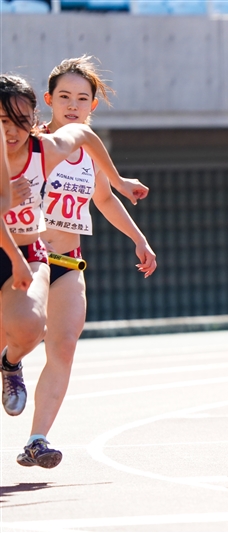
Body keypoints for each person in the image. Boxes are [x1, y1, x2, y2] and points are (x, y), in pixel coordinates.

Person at [8, 58, 157, 469]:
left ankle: (37, 440)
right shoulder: (29, 144)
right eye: (65, 97)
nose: (73, 106)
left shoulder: (87, 153)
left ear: (92, 105)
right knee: (28, 331)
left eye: (83, 99)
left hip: (68, 261)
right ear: (48, 101)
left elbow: (105, 200)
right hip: (27, 257)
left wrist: (138, 238)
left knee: (64, 346)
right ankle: (12, 359)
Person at [0, 127, 34, 293]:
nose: (12, 130)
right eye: (5, 121)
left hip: (30, 252)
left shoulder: (46, 148)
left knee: (26, 318)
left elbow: (82, 135)